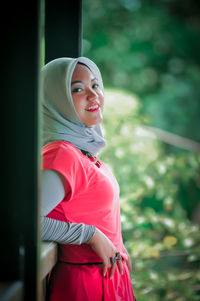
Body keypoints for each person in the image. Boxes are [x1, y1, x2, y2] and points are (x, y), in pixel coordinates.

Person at [41, 57, 136, 301]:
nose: (94, 96)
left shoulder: (80, 152)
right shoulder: (62, 153)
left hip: (108, 279)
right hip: (87, 286)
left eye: (95, 85)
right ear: (56, 100)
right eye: (78, 89)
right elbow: (26, 223)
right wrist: (90, 235)